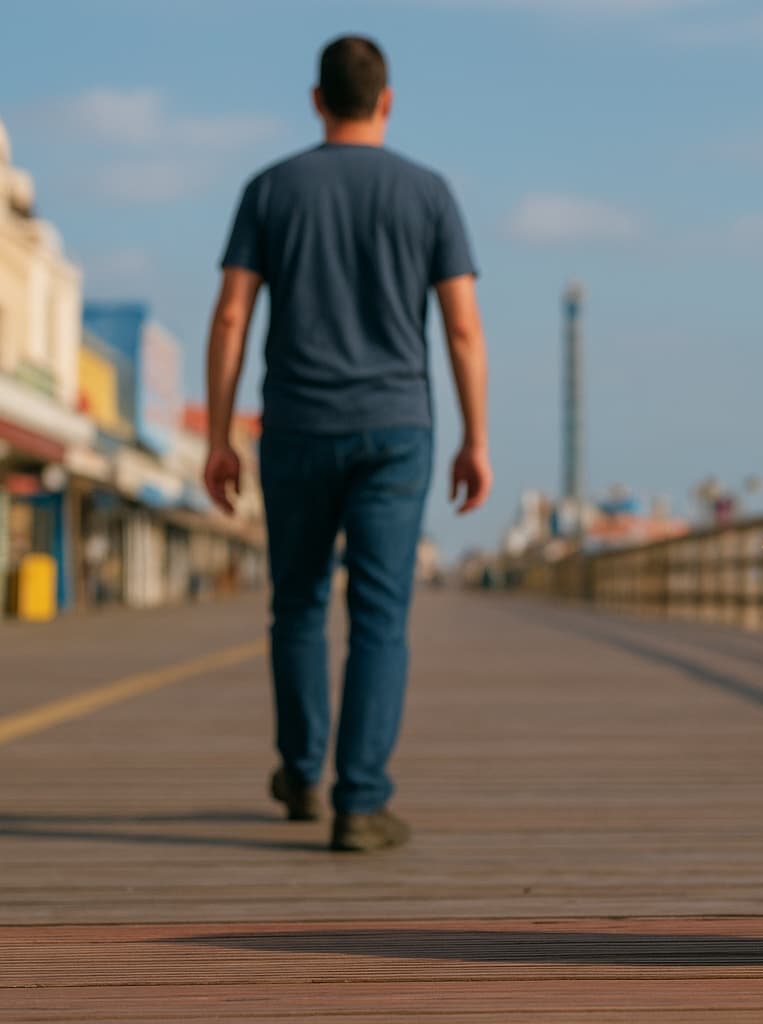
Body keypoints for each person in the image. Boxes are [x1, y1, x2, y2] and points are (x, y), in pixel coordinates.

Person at [203, 35, 492, 852]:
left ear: (317, 100)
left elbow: (231, 316)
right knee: (379, 615)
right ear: (387, 101)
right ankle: (359, 804)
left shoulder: (270, 189)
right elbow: (462, 329)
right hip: (397, 429)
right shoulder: (429, 193)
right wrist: (475, 439)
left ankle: (301, 775)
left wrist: (219, 437)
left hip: (295, 425)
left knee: (296, 603)